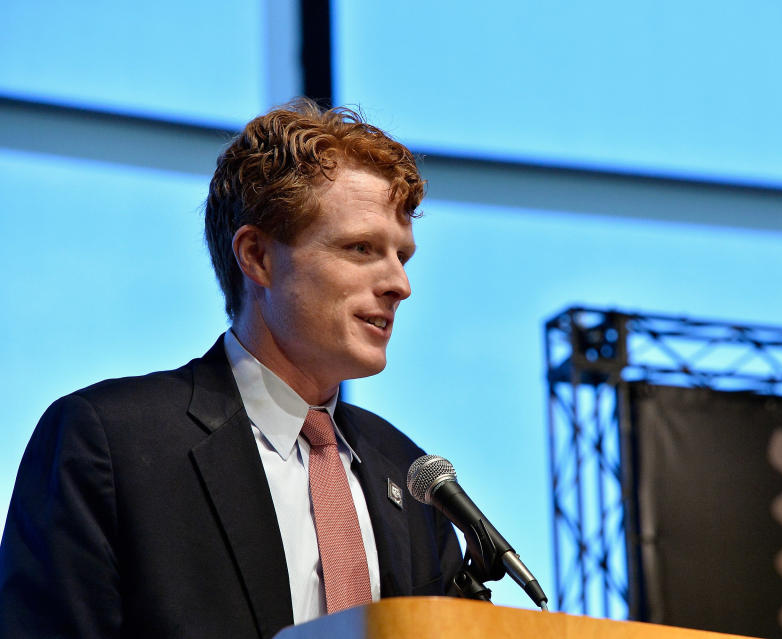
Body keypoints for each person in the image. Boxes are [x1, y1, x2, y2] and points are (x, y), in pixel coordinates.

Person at [0, 99, 462, 638]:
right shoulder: (110, 442)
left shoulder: (411, 476)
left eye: (401, 257)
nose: (399, 285)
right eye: (361, 248)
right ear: (258, 258)